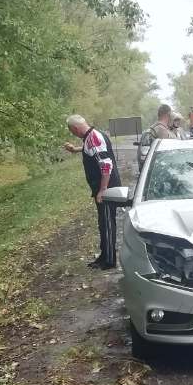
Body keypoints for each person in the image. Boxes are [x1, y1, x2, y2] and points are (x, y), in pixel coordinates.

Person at [63, 114, 122, 269]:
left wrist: (103, 190)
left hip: (108, 188)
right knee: (103, 223)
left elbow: (106, 165)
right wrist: (76, 150)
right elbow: (91, 150)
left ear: (75, 128)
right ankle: (104, 256)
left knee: (108, 223)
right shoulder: (91, 138)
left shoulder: (93, 138)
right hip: (103, 188)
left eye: (72, 131)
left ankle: (109, 261)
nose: (73, 134)